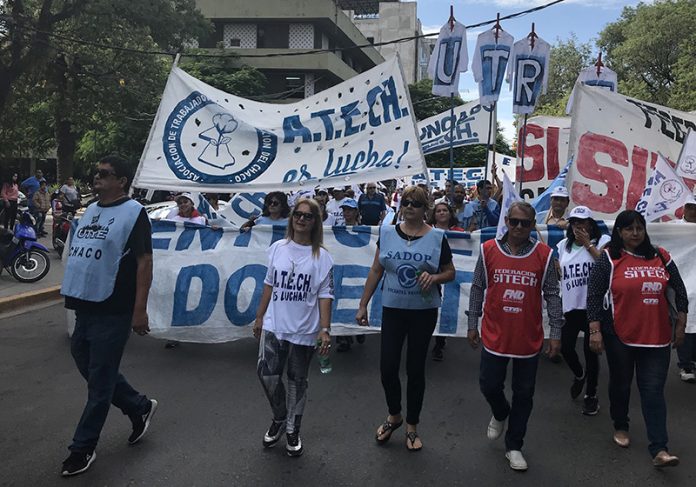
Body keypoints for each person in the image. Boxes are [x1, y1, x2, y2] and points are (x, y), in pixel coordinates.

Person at [60, 155, 157, 476]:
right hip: (85, 305)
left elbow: (144, 262)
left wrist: (139, 310)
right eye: (96, 173)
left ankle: (82, 448)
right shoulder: (92, 210)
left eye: (104, 174)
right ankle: (138, 406)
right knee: (89, 366)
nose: (96, 178)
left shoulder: (135, 214)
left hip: (114, 309)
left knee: (99, 382)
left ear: (122, 181)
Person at [356, 186, 455, 452]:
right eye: (406, 202)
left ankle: (412, 425)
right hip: (394, 309)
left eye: (416, 203)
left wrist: (434, 277)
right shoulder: (387, 233)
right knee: (387, 367)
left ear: (425, 209)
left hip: (423, 312)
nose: (409, 206)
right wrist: (363, 303)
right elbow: (377, 269)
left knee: (415, 369)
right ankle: (394, 415)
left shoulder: (436, 237)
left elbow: (450, 272)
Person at [587, 210, 688, 468]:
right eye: (629, 229)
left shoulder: (661, 256)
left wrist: (681, 322)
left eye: (639, 228)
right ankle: (620, 425)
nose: (635, 233)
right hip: (619, 336)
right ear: (619, 232)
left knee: (653, 392)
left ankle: (660, 448)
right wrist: (595, 330)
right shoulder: (609, 258)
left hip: (657, 338)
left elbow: (679, 289)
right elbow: (594, 296)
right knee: (621, 385)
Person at [467, 201, 563, 471]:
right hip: (495, 334)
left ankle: (514, 445)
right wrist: (472, 322)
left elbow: (552, 296)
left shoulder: (544, 254)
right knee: (488, 385)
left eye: (526, 222)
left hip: (527, 338)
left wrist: (556, 333)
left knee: (524, 393)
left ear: (533, 225)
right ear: (506, 221)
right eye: (514, 221)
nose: (519, 227)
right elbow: (477, 287)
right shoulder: (488, 251)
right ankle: (500, 412)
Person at [253, 198, 334, 457]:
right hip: (274, 325)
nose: (301, 219)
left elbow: (325, 295)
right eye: (297, 214)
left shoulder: (322, 257)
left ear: (315, 222)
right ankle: (279, 416)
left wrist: (324, 329)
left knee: (297, 381)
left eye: (307, 216)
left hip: (304, 329)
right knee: (266, 373)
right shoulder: (277, 248)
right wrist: (259, 316)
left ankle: (292, 429)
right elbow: (269, 283)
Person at [556, 206, 610, 415]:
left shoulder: (602, 241)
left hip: (593, 308)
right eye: (575, 221)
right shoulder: (563, 246)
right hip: (571, 307)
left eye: (583, 221)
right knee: (566, 347)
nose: (578, 225)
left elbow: (606, 266)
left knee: (591, 353)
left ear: (590, 223)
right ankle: (579, 375)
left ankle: (591, 395)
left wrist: (588, 244)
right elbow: (556, 267)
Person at [427, 202, 465, 361]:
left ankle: (439, 343)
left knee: (447, 307)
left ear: (450, 213)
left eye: (445, 210)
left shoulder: (460, 232)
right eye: (438, 211)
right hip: (433, 273)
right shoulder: (427, 231)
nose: (442, 213)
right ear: (434, 214)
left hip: (452, 275)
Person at [675, 196, 696, 381]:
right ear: (684, 208)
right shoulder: (673, 228)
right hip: (683, 283)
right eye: (690, 207)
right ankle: (686, 365)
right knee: (686, 323)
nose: (693, 211)